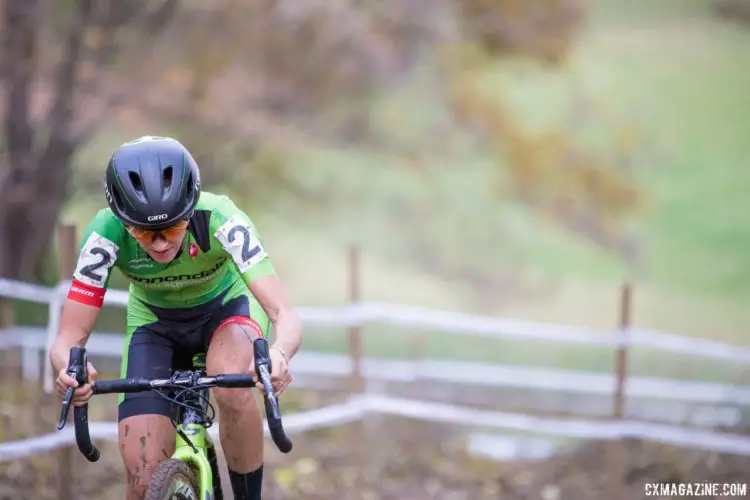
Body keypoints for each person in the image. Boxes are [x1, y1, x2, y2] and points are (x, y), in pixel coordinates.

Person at [48, 135, 302, 500]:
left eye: (172, 228)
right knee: (142, 478)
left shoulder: (221, 218)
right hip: (154, 325)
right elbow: (68, 339)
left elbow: (285, 314)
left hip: (226, 311)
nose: (160, 243)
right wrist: (68, 370)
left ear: (190, 210)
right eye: (143, 232)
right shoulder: (104, 235)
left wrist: (279, 354)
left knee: (230, 386)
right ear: (122, 221)